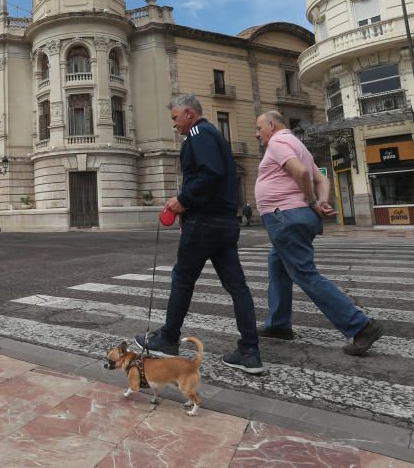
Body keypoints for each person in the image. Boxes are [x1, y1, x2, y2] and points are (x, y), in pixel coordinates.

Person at [135, 94, 266, 374]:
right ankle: (249, 351)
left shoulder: (198, 132)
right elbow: (215, 174)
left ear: (189, 114)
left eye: (175, 118)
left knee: (182, 278)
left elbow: (209, 173)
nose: (174, 125)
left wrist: (183, 199)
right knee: (237, 286)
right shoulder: (212, 135)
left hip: (205, 223)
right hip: (224, 222)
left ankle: (169, 338)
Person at [254, 110, 384, 356]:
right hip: (293, 216)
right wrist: (322, 202)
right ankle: (278, 324)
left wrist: (311, 200)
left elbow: (302, 173)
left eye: (259, 128)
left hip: (285, 216)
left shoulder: (278, 142)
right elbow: (321, 178)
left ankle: (361, 325)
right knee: (277, 266)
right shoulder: (296, 143)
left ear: (271, 125)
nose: (256, 133)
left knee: (304, 273)